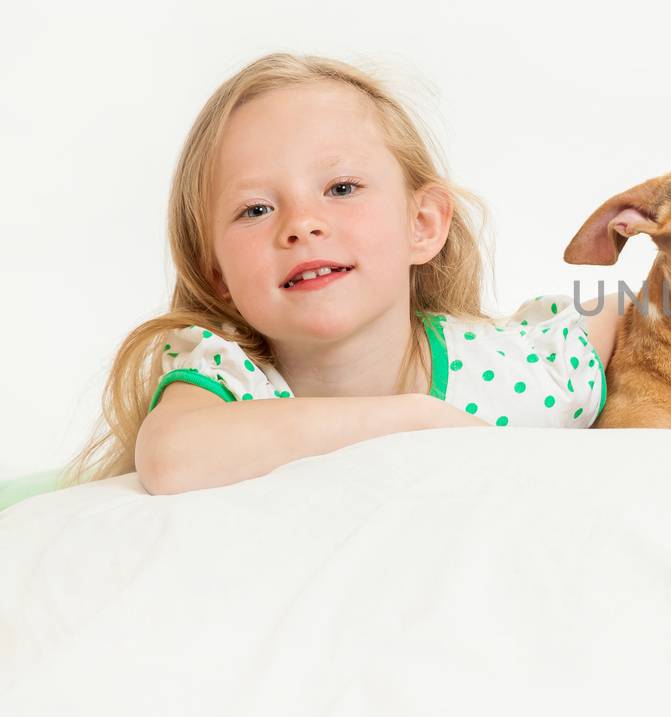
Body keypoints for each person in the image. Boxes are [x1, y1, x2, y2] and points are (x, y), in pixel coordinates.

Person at [64, 53, 615, 495]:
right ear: (219, 277)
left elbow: (613, 312)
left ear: (421, 224)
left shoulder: (516, 374)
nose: (301, 224)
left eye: (341, 189)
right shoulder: (227, 376)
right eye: (255, 209)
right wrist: (414, 422)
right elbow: (173, 458)